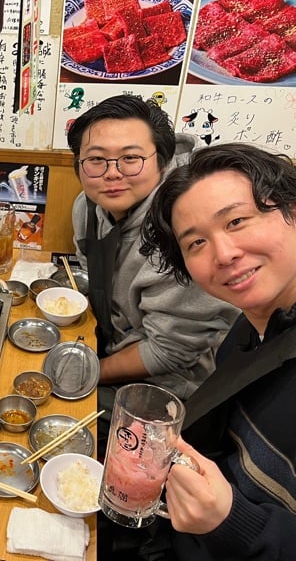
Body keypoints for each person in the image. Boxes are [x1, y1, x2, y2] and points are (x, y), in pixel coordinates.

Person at [139, 142, 296, 560]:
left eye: (237, 221)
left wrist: (236, 522)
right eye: (196, 243)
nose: (224, 254)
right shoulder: (247, 333)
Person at [68, 94, 238, 454]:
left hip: (170, 392)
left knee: (54, 414)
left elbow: (169, 353)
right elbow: (87, 274)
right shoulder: (87, 207)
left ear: (161, 160)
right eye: (96, 159)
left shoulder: (181, 230)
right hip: (110, 347)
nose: (112, 173)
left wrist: (88, 371)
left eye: (131, 158)